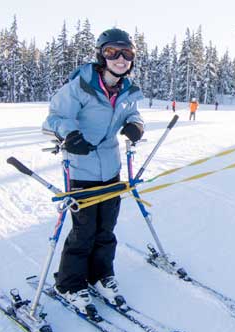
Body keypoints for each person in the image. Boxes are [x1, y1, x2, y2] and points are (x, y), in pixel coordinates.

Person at [43, 28, 144, 316]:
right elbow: (54, 117)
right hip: (82, 168)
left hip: (111, 168)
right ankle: (70, 284)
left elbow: (132, 114)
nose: (120, 59)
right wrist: (70, 134)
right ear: (102, 54)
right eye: (113, 52)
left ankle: (100, 276)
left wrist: (136, 125)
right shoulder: (81, 86)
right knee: (84, 230)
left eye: (127, 53)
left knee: (106, 229)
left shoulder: (128, 91)